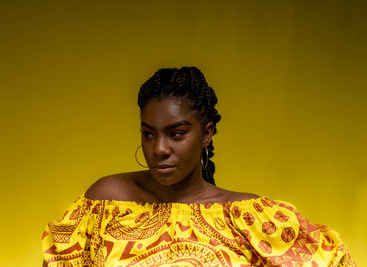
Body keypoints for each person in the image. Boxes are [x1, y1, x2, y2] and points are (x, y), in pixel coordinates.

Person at [42, 67, 355, 266]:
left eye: (176, 134)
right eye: (148, 134)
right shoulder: (106, 203)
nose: (159, 149)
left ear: (206, 134)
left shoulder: (250, 220)